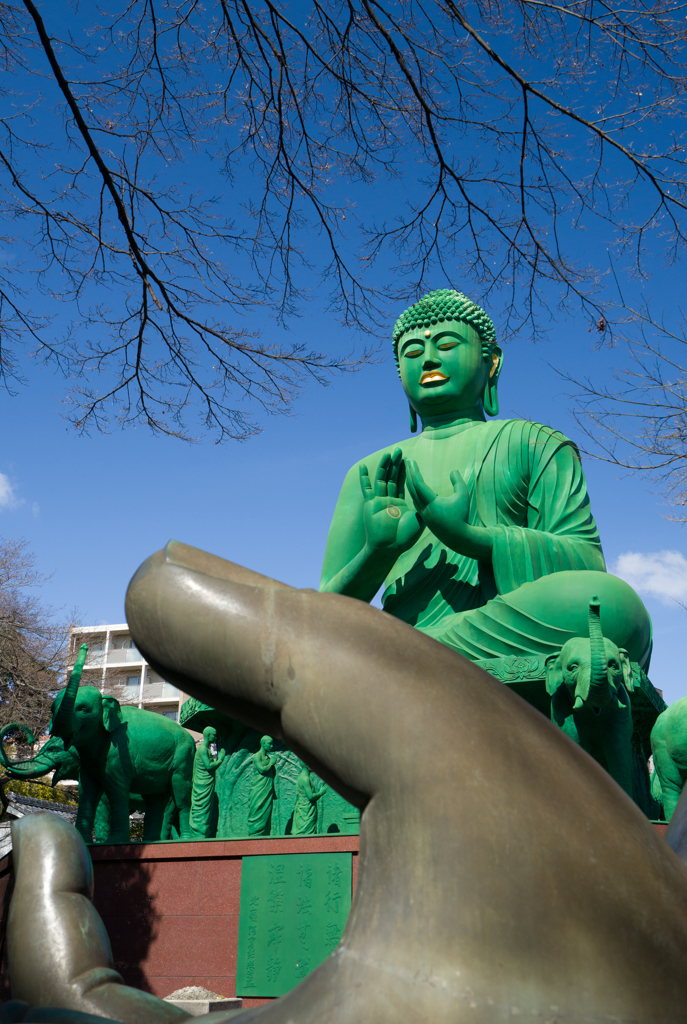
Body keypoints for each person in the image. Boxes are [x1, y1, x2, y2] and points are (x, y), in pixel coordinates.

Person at [320, 289, 651, 668]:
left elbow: (586, 564)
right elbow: (325, 611)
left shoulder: (536, 443)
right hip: (401, 633)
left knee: (613, 605)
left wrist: (473, 539)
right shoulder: (372, 471)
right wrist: (377, 553)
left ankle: (414, 656)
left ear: (491, 362)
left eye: (446, 345)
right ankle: (411, 652)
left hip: (497, 628)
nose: (428, 359)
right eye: (411, 353)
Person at [190, 726, 225, 838]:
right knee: (201, 809)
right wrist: (220, 759)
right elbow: (209, 766)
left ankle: (203, 832)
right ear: (208, 735)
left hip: (206, 783)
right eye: (214, 735)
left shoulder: (206, 750)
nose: (215, 737)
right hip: (202, 785)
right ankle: (199, 833)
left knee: (206, 810)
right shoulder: (202, 749)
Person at [247, 735, 277, 836]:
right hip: (258, 790)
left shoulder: (267, 757)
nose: (272, 746)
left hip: (267, 790)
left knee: (266, 813)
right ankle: (254, 836)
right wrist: (271, 763)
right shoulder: (257, 756)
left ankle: (264, 835)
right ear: (263, 744)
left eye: (272, 744)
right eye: (270, 743)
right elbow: (262, 769)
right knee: (257, 811)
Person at [292, 762, 326, 836]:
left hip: (303, 810)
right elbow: (310, 797)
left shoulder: (301, 777)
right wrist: (321, 793)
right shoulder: (305, 779)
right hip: (306, 813)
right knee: (307, 834)